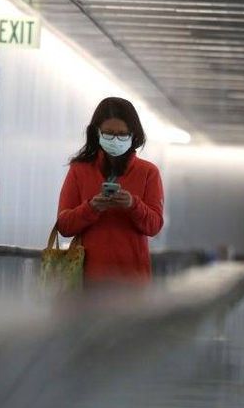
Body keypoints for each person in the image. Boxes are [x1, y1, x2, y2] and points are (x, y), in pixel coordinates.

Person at [56, 97, 164, 284]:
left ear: (133, 135)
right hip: (88, 282)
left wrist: (133, 205)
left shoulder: (148, 172)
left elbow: (154, 226)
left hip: (133, 282)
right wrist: (91, 207)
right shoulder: (79, 170)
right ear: (97, 133)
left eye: (122, 134)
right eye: (108, 133)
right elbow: (64, 226)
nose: (115, 139)